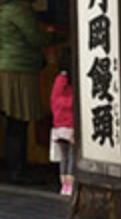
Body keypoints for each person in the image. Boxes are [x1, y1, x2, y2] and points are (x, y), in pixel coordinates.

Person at [0, 0, 61, 183]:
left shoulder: (7, 6)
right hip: (18, 71)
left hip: (8, 68)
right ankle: (17, 172)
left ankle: (16, 169)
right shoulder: (20, 8)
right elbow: (35, 38)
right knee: (18, 123)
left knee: (14, 123)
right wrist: (57, 36)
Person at [49, 48, 75, 196]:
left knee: (63, 156)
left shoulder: (59, 79)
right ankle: (70, 185)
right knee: (71, 155)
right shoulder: (70, 80)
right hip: (71, 124)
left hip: (59, 124)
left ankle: (64, 186)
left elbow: (55, 100)